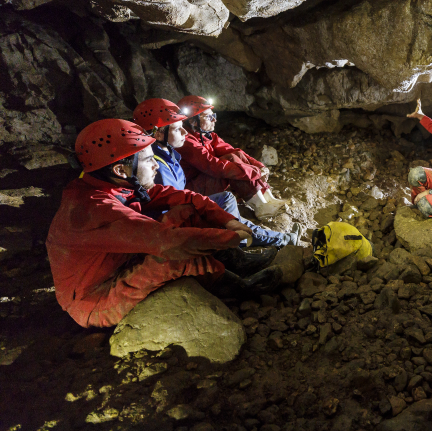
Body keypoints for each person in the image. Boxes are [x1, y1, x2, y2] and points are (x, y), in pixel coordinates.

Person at [46, 119, 282, 328]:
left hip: (121, 260)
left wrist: (228, 222)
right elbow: (170, 243)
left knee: (187, 211)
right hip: (96, 297)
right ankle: (243, 288)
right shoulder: (94, 210)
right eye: (149, 160)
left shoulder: (117, 187)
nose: (156, 165)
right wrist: (231, 239)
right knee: (174, 258)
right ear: (120, 169)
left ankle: (239, 262)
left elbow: (188, 198)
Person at [133, 98, 299, 248]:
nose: (184, 132)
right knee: (228, 210)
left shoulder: (170, 152)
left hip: (184, 205)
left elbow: (231, 151)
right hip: (177, 220)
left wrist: (257, 167)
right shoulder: (158, 165)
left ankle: (279, 234)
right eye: (178, 128)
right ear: (158, 133)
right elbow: (211, 169)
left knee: (230, 209)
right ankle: (238, 245)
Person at [176, 95, 287, 220]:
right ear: (193, 121)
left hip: (203, 180)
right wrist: (254, 172)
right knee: (230, 165)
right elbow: (214, 166)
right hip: (191, 191)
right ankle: (260, 206)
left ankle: (267, 198)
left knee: (235, 156)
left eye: (214, 115)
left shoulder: (205, 135)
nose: (214, 120)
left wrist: (259, 166)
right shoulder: (186, 141)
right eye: (209, 117)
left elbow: (233, 151)